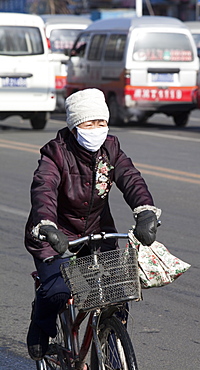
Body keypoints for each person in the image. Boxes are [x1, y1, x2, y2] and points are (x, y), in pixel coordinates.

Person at [25, 88, 161, 362]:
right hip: (56, 236)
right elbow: (44, 190)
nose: (96, 129)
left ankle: (111, 343)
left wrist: (145, 211)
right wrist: (48, 227)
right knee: (58, 292)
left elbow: (131, 178)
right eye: (89, 123)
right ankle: (39, 328)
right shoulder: (56, 153)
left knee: (117, 290)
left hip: (98, 235)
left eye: (101, 122)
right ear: (74, 127)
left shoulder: (111, 149)